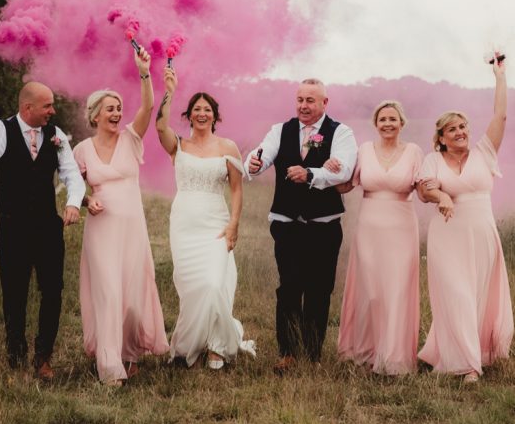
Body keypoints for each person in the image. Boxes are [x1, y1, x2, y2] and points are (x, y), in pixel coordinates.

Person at [0, 77, 85, 379]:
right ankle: (15, 356)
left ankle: (43, 357)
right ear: (28, 107)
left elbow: (72, 175)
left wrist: (74, 202)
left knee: (53, 292)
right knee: (15, 294)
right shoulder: (0, 131)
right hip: (12, 229)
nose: (53, 110)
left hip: (48, 228)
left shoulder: (56, 135)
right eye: (47, 105)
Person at [245, 78, 357, 373]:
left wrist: (311, 174)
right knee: (289, 287)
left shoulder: (341, 132)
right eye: (300, 100)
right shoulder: (280, 130)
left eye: (310, 100)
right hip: (287, 223)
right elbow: (262, 154)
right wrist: (253, 165)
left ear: (324, 103)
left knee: (320, 289)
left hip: (324, 225)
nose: (303, 106)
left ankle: (313, 355)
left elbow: (343, 169)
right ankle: (288, 352)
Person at [72, 49, 169, 386]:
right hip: (101, 231)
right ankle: (110, 364)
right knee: (109, 292)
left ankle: (130, 352)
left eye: (118, 108)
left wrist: (145, 72)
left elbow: (147, 108)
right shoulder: (81, 150)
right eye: (110, 109)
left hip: (131, 229)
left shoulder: (131, 138)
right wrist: (86, 201)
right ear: (96, 115)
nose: (117, 113)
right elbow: (72, 188)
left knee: (131, 296)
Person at [416, 54, 513, 382]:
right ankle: (468, 366)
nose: (459, 132)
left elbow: (500, 114)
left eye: (462, 127)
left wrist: (500, 77)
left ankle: (467, 352)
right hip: (447, 235)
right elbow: (425, 189)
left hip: (481, 233)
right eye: (451, 129)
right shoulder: (432, 159)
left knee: (476, 296)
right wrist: (442, 195)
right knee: (456, 294)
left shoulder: (485, 152)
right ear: (441, 137)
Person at [155, 67, 255, 370]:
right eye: (196, 109)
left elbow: (236, 190)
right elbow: (159, 127)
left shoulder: (228, 147)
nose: (201, 113)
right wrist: (169, 91)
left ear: (215, 116)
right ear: (189, 115)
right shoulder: (179, 145)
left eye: (207, 109)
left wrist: (234, 223)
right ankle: (193, 346)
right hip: (185, 223)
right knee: (192, 286)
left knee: (215, 282)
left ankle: (218, 345)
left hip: (215, 223)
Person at [328, 101, 424, 374]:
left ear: (401, 123)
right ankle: (365, 352)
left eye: (393, 119)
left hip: (402, 227)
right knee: (370, 291)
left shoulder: (414, 152)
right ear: (376, 123)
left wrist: (439, 193)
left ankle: (393, 357)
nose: (388, 124)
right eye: (383, 119)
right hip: (369, 228)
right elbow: (347, 184)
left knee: (396, 288)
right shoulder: (365, 150)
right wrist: (331, 172)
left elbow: (422, 188)